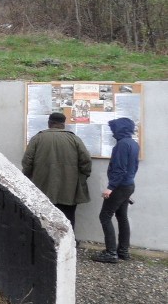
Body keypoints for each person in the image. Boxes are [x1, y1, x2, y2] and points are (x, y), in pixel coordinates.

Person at [22, 112, 92, 232]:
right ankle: (68, 244)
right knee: (68, 218)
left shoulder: (38, 138)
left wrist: (27, 177)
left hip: (42, 188)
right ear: (63, 124)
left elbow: (27, 162)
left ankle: (46, 244)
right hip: (69, 188)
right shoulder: (74, 139)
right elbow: (86, 161)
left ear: (49, 123)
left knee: (43, 217)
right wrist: (82, 177)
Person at [91, 117, 139, 264]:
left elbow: (120, 169)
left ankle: (111, 253)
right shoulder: (133, 143)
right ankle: (123, 251)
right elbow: (134, 167)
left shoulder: (122, 145)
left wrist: (110, 188)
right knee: (122, 217)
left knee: (105, 216)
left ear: (120, 130)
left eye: (113, 130)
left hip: (119, 187)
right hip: (128, 185)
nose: (112, 133)